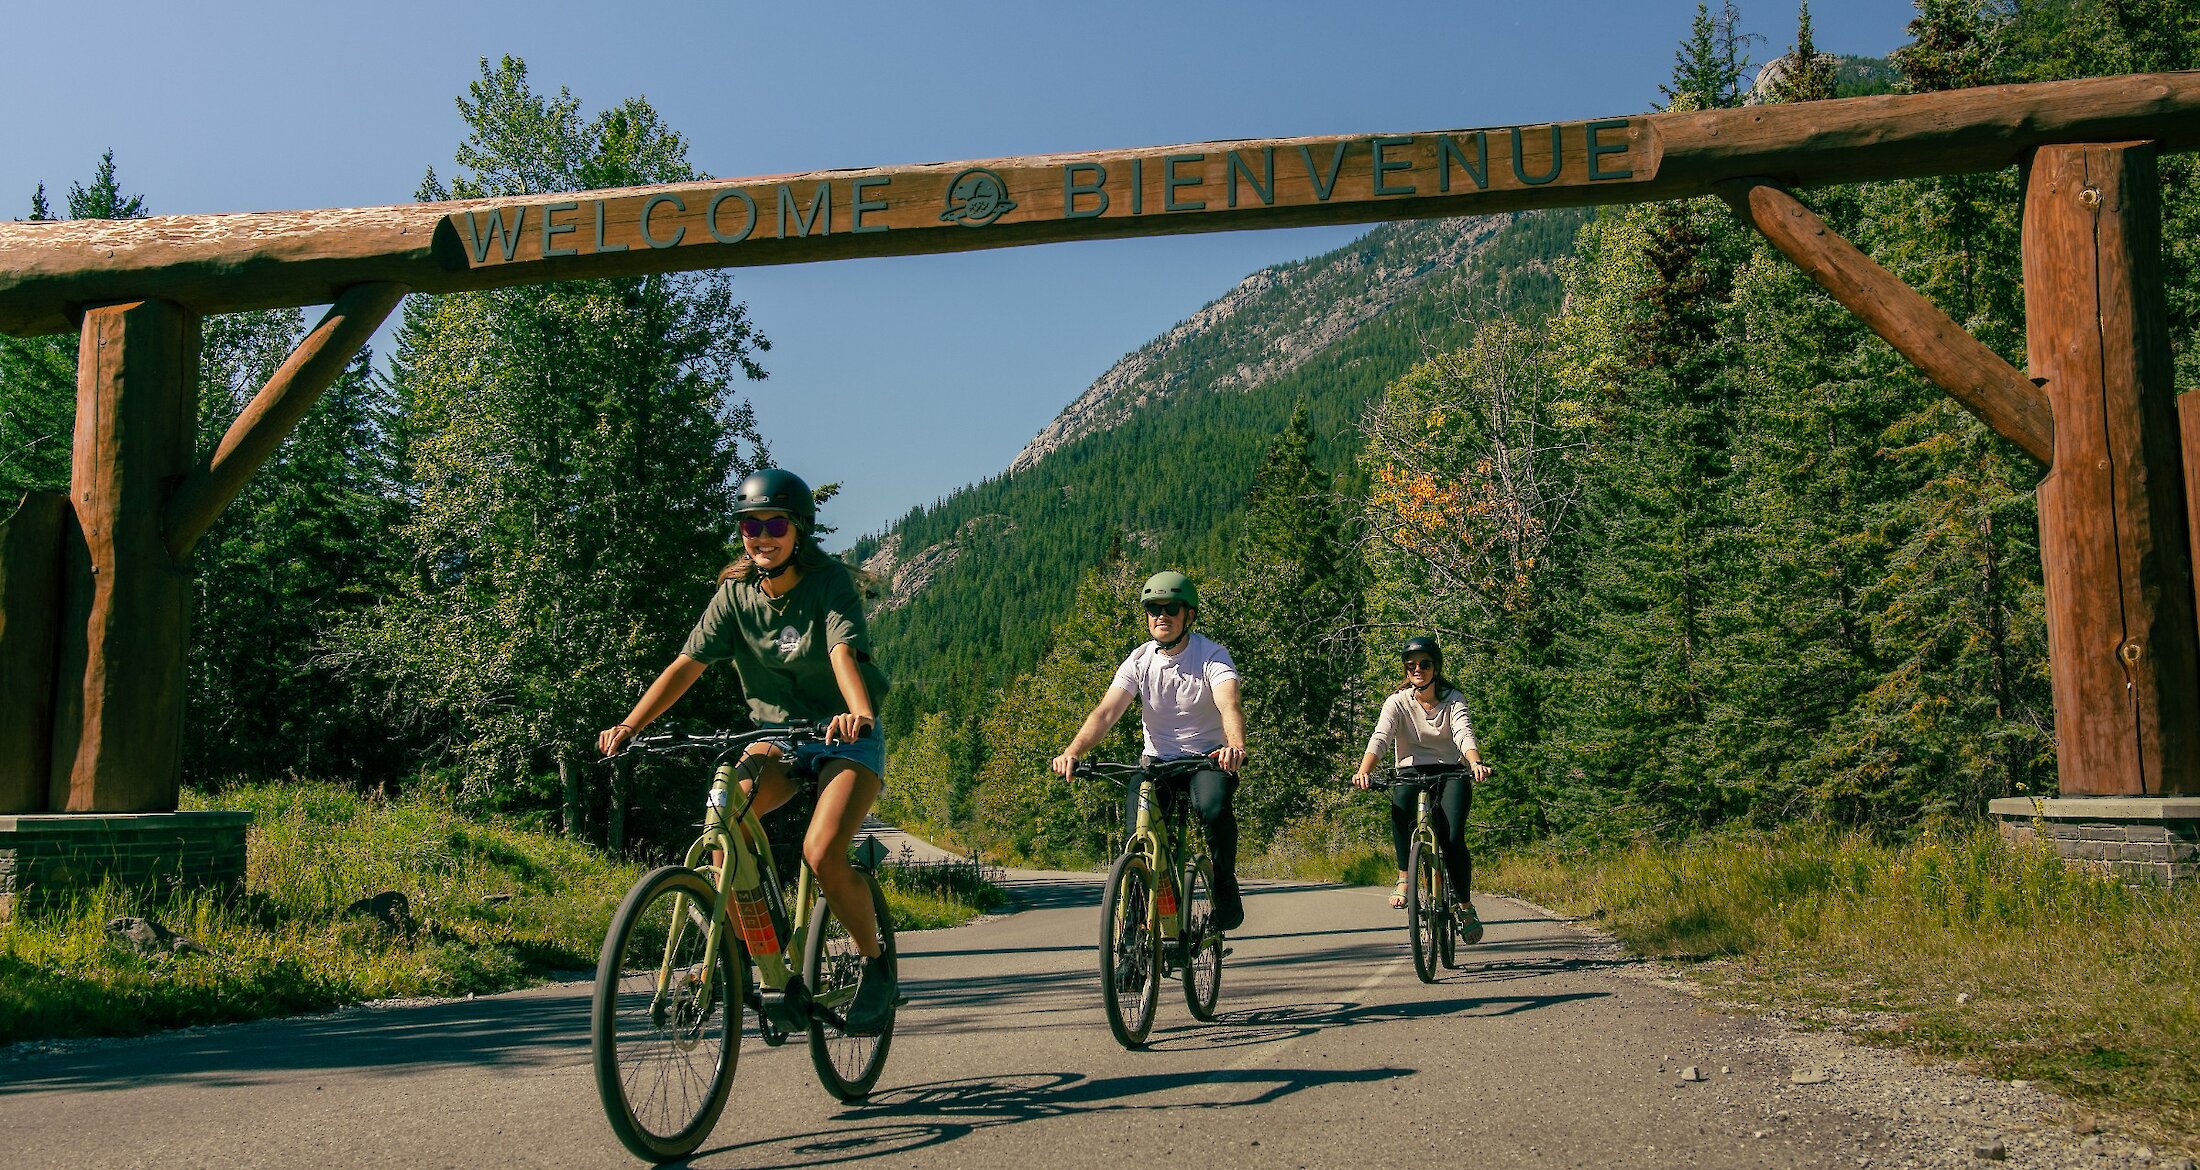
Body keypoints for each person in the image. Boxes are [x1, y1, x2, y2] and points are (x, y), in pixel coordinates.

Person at [596, 468, 898, 1034]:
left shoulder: (828, 582)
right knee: (723, 813)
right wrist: (631, 724)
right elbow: (687, 664)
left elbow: (843, 654)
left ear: (798, 530)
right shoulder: (733, 595)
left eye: (774, 523)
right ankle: (749, 955)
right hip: (778, 738)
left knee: (822, 849)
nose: (762, 534)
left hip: (845, 736)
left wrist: (857, 712)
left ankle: (876, 966)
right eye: (750, 524)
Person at [1051, 570, 1250, 933]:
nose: (1161, 615)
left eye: (1171, 608)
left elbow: (1229, 704)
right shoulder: (1140, 660)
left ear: (1188, 615)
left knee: (1213, 808)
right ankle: (1132, 942)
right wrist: (1073, 751)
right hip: (1156, 764)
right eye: (1153, 608)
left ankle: (1224, 886)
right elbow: (1106, 712)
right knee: (1136, 838)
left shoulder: (1212, 656)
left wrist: (1235, 746)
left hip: (1206, 759)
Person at [1351, 635, 1490, 942]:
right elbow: (1381, 737)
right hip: (1411, 771)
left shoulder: (1453, 698)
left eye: (1424, 664)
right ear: (1406, 670)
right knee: (1400, 807)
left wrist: (1475, 762)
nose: (1418, 670)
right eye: (1412, 665)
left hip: (1451, 771)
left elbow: (1463, 732)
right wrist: (1364, 771)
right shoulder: (1397, 702)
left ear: (1435, 668)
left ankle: (1465, 906)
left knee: (1452, 838)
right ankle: (1404, 877)